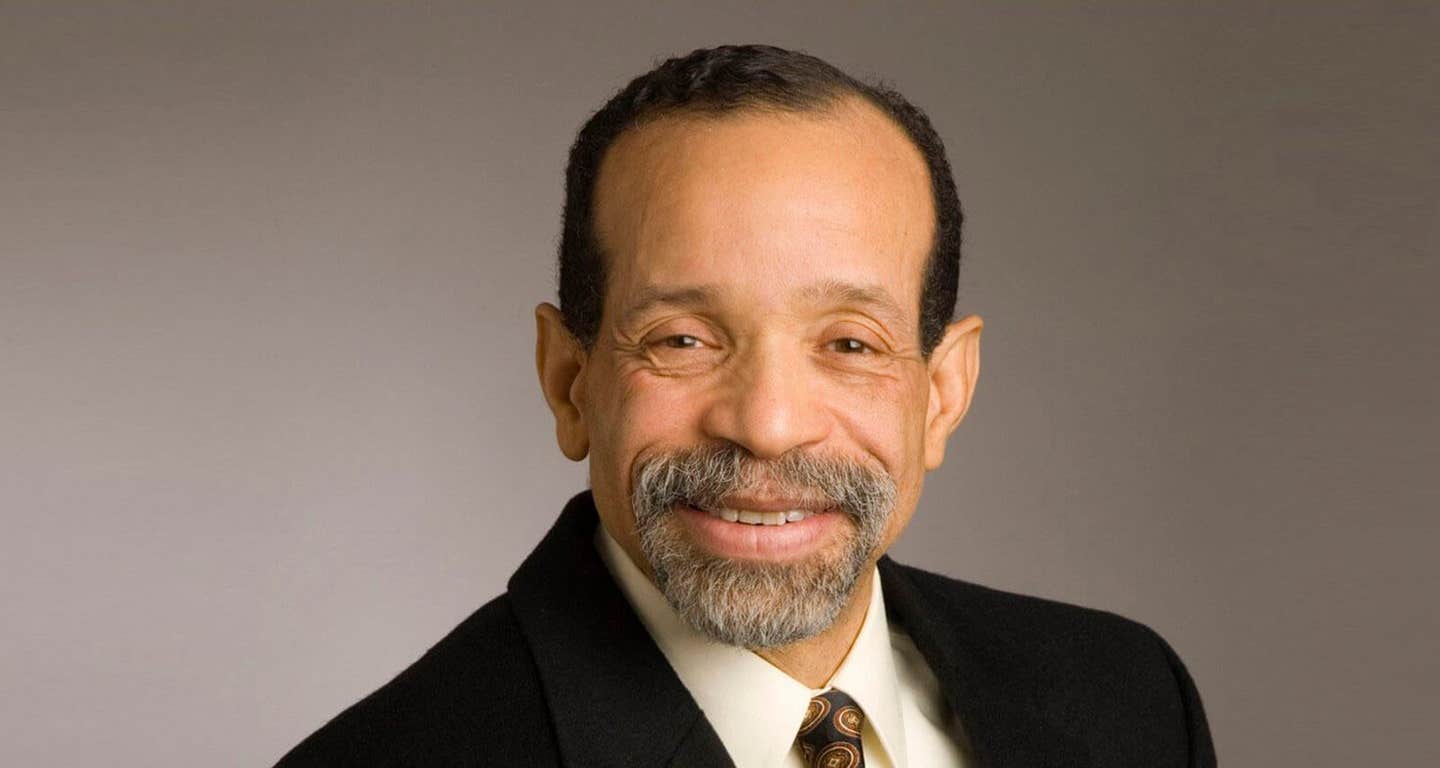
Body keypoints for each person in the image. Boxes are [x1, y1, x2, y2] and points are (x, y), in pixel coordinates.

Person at [275, 44, 1215, 768]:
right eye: (683, 340)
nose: (766, 424)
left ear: (942, 392)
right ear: (570, 381)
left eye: (849, 344)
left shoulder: (1128, 703)